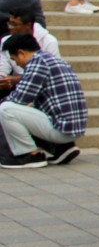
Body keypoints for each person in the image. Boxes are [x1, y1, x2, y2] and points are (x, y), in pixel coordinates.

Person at [0, 34, 87, 169]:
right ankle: (62, 148)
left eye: (14, 59)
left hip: (62, 129)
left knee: (5, 109)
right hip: (72, 128)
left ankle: (29, 155)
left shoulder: (38, 63)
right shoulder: (51, 59)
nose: (16, 63)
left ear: (21, 53)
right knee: (21, 110)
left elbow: (19, 99)